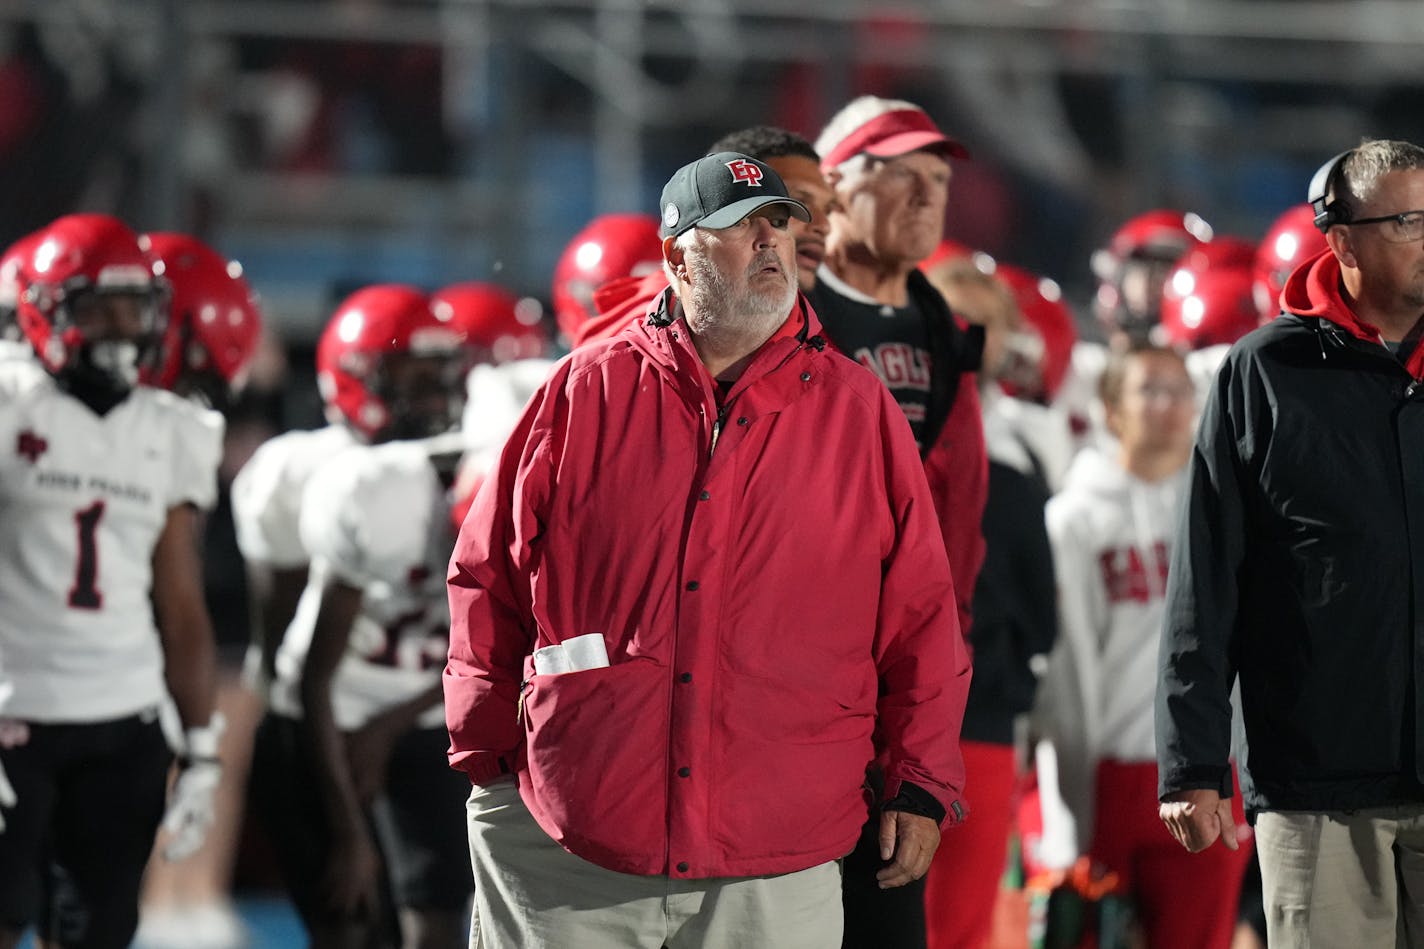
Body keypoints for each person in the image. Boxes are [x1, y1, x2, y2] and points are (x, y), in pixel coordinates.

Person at [445, 151, 971, 948]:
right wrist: (488, 757)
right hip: (571, 845)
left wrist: (923, 780)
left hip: (777, 851)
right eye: (737, 227)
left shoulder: (860, 411)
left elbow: (923, 613)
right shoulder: (583, 389)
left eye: (779, 226)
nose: (769, 244)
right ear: (675, 255)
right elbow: (487, 573)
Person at [1157, 138, 1424, 947]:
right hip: (1316, 783)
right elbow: (1207, 576)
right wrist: (1194, 763)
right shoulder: (1263, 372)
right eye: (1410, 220)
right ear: (1342, 242)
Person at [0, 213, 225, 949]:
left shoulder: (170, 426)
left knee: (98, 932)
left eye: (135, 307)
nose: (122, 328)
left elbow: (181, 602)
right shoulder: (11, 401)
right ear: (43, 308)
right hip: (13, 712)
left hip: (124, 720)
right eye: (98, 306)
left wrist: (201, 745)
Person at [246, 284, 476, 948]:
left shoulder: (485, 460)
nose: (433, 393)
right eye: (411, 375)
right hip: (326, 718)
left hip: (428, 715)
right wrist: (350, 832)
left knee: (439, 920)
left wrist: (396, 719)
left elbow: (510, 639)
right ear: (354, 379)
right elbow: (298, 657)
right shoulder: (340, 478)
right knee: (353, 928)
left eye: (441, 373)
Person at [809, 94, 987, 948]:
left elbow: (957, 520)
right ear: (834, 186)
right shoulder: (788, 310)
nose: (927, 196)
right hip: (801, 676)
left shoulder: (942, 328)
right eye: (901, 175)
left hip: (901, 672)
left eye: (939, 179)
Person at [1037, 344, 1251, 949]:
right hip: (1110, 773)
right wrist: (1069, 805)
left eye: (1180, 390)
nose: (1168, 405)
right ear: (1109, 410)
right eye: (1148, 390)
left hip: (1213, 768)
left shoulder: (1227, 507)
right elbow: (1067, 671)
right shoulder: (1073, 519)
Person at [921, 254, 1059, 949]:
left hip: (981, 715)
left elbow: (1042, 605)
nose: (970, 335)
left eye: (986, 323)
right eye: (954, 318)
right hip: (878, 721)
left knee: (965, 921)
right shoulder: (874, 422)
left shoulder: (1023, 446)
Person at [583, 125, 839, 351]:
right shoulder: (634, 343)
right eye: (799, 201)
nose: (823, 225)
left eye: (779, 220)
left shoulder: (810, 326)